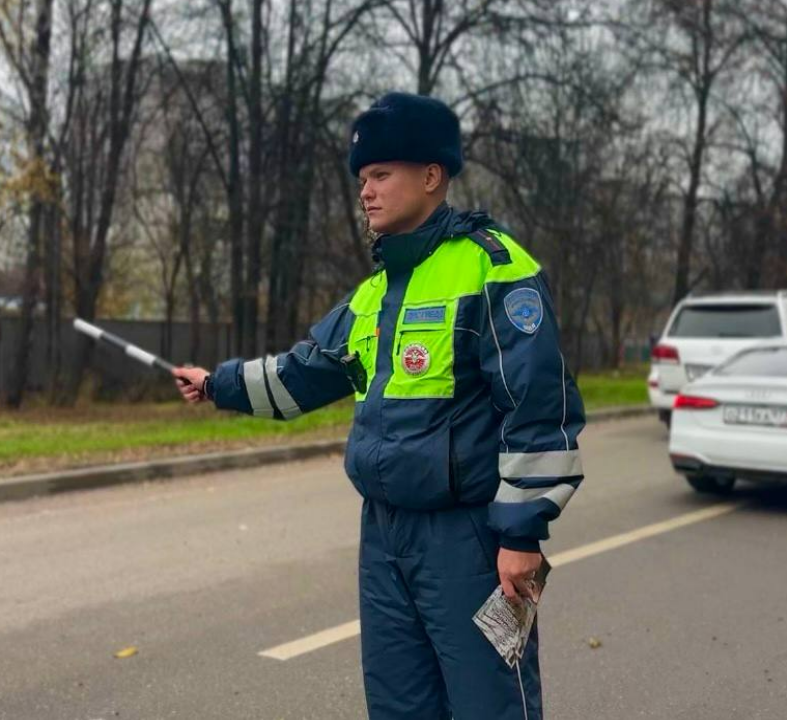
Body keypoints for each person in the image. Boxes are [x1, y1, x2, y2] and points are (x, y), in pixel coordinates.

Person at [173, 91, 585, 720]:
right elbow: (300, 374)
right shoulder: (373, 294)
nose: (366, 192)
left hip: (469, 540)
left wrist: (521, 534)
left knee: (490, 704)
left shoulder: (494, 268)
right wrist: (216, 384)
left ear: (431, 175)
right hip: (385, 537)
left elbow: (538, 407)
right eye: (362, 178)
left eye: (381, 175)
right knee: (399, 705)